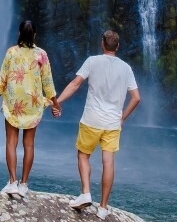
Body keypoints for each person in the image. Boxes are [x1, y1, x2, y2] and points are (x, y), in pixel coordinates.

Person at [56, 30, 140, 219]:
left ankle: (85, 192)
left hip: (91, 120)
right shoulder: (126, 68)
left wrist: (58, 101)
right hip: (112, 123)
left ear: (102, 44)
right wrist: (123, 117)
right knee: (108, 163)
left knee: (83, 155)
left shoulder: (92, 61)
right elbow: (136, 98)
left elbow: (75, 84)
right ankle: (103, 207)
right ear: (117, 47)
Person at [0, 20, 62, 198]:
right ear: (35, 35)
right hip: (32, 103)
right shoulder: (41, 55)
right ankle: (24, 184)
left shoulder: (11, 52)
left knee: (11, 142)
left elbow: (3, 76)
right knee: (29, 144)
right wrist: (55, 102)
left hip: (14, 102)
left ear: (19, 34)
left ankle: (12, 182)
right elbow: (47, 81)